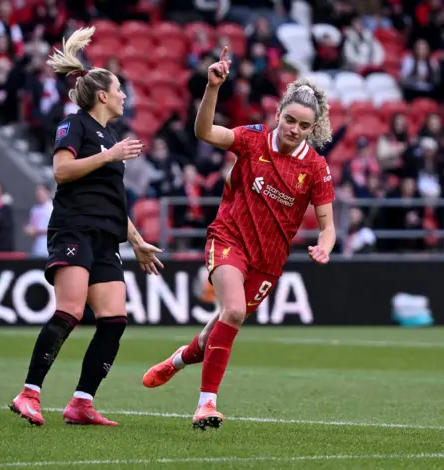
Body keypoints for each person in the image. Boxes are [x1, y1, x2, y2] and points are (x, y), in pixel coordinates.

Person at [142, 47, 337, 430]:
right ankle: (206, 404)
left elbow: (328, 226)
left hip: (269, 261)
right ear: (278, 113)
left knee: (218, 328)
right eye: (289, 120)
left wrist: (324, 247)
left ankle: (178, 359)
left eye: (302, 126)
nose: (293, 129)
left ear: (312, 130)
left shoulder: (315, 167)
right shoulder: (252, 140)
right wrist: (213, 88)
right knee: (231, 311)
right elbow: (204, 132)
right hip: (229, 238)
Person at [9, 26, 164, 427]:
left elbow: (111, 199)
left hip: (106, 236)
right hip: (73, 229)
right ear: (102, 96)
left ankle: (81, 402)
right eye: (119, 89)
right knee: (71, 310)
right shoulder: (73, 125)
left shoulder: (110, 135)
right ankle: (29, 393)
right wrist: (108, 155)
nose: (125, 95)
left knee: (114, 320)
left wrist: (137, 238)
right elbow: (61, 171)